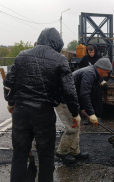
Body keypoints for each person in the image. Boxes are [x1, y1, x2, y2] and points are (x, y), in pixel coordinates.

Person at [3, 28, 80, 182]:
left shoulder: (21, 56)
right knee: (46, 159)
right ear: (57, 43)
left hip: (21, 112)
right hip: (44, 114)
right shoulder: (60, 60)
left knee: (19, 157)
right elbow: (69, 91)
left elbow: (8, 84)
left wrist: (11, 102)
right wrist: (74, 112)